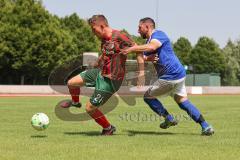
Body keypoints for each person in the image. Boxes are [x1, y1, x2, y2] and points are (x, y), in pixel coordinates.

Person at [121, 17, 214, 136]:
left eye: (140, 27)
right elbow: (144, 56)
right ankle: (205, 126)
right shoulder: (148, 42)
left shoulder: (158, 34)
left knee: (148, 97)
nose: (138, 30)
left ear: (147, 27)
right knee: (182, 101)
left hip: (170, 75)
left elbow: (152, 47)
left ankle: (168, 118)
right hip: (178, 74)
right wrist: (142, 55)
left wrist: (132, 48)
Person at [60, 15, 144, 135]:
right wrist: (97, 63)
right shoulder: (104, 39)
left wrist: (141, 74)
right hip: (100, 72)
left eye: (94, 29)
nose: (93, 33)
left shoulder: (120, 36)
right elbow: (106, 52)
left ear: (102, 26)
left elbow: (138, 50)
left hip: (111, 80)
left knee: (89, 108)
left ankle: (108, 128)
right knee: (71, 83)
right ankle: (75, 102)